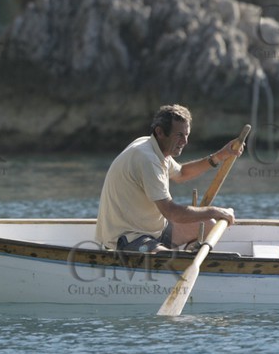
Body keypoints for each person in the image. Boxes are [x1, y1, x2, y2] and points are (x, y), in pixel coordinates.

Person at [95, 104, 245, 251]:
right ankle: (178, 257)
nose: (185, 141)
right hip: (128, 238)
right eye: (179, 135)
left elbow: (181, 173)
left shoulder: (156, 148)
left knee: (209, 225)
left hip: (156, 230)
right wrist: (214, 211)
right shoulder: (147, 159)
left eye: (187, 135)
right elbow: (171, 212)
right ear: (160, 132)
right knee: (168, 260)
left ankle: (189, 250)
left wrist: (221, 155)